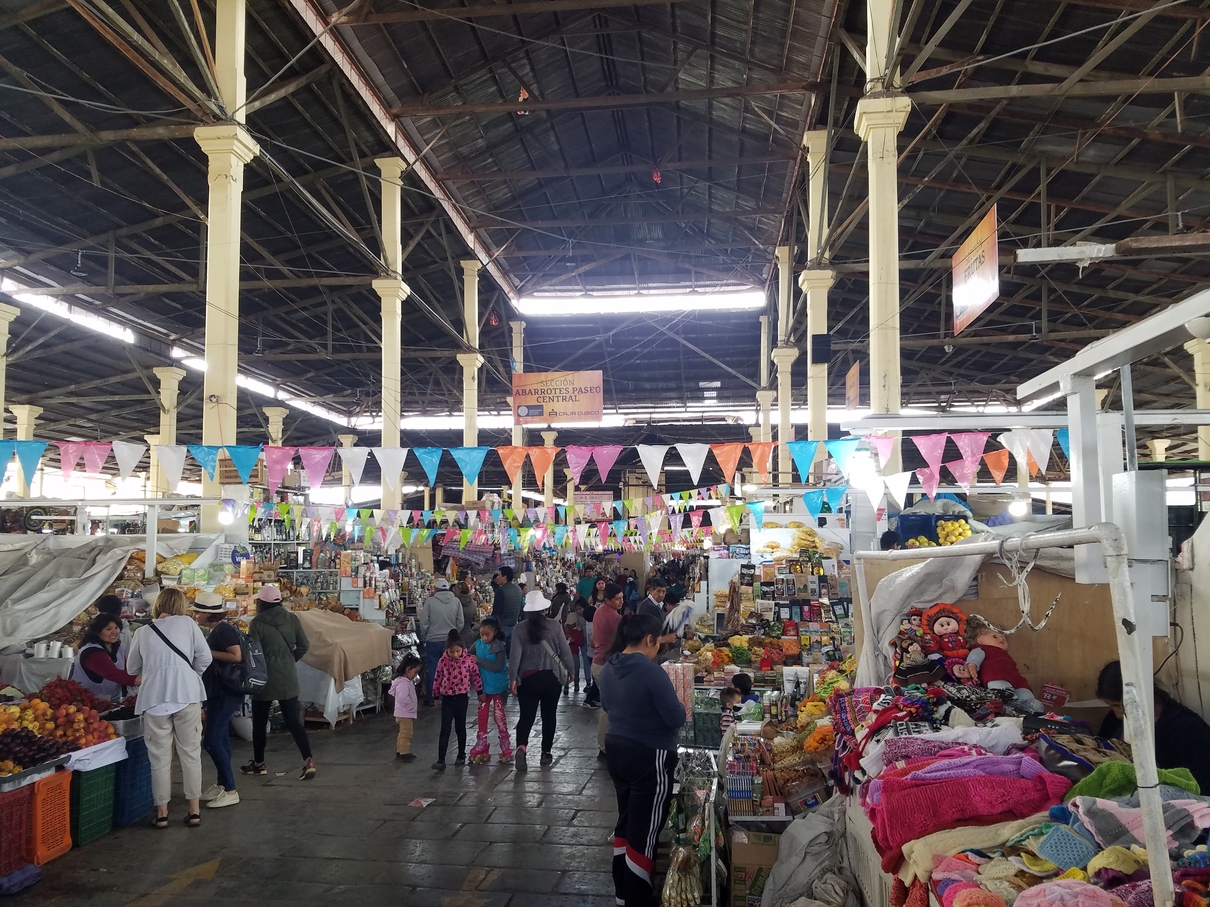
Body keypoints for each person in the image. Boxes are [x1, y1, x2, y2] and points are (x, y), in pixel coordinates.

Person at [598, 612, 687, 907]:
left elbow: (608, 707)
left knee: (626, 822)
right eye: (657, 642)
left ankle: (622, 893)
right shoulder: (652, 672)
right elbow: (674, 718)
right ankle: (637, 898)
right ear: (649, 639)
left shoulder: (609, 667)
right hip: (650, 754)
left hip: (617, 748)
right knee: (645, 830)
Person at [125, 588, 212, 829]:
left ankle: (162, 813)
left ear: (158, 605)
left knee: (159, 760)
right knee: (191, 755)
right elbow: (205, 657)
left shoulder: (142, 632)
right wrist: (190, 675)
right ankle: (194, 811)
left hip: (155, 699)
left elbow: (132, 669)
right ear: (181, 606)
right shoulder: (189, 624)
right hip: (187, 696)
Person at [1097, 660, 1210, 790]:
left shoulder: (1185, 729)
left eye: (1118, 706)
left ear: (1140, 695)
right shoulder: (1114, 721)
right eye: (1112, 706)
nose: (1117, 714)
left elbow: (1196, 784)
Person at [244, 586, 315, 780]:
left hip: (263, 677)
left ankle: (259, 764)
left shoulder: (256, 623)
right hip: (287, 675)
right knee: (293, 721)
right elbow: (304, 645)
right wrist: (289, 659)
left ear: (261, 603)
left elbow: (254, 652)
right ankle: (308, 761)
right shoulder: (292, 618)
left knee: (259, 723)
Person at [509, 590, 576, 772]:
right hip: (551, 678)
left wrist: (513, 678)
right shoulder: (554, 626)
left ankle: (521, 747)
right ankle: (545, 752)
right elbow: (564, 651)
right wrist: (571, 670)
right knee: (549, 715)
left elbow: (515, 656)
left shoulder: (519, 628)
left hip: (528, 679)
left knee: (526, 716)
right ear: (544, 609)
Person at [191, 592, 244, 810]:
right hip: (218, 692)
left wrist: (207, 652)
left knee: (211, 741)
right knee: (220, 739)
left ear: (207, 614)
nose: (194, 615)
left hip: (226, 693)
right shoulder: (219, 629)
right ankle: (223, 784)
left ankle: (231, 790)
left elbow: (236, 656)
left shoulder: (224, 630)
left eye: (197, 612)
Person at [431, 630, 482, 770]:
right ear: (447, 650)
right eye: (452, 652)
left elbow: (476, 676)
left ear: (463, 649)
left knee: (460, 728)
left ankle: (461, 754)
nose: (455, 655)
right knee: (445, 729)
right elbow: (437, 678)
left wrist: (480, 692)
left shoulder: (468, 660)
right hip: (447, 699)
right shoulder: (442, 661)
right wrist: (435, 696)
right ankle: (441, 759)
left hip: (462, 699)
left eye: (458, 651)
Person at [70, 613, 140, 703]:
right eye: (108, 629)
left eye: (116, 627)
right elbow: (113, 674)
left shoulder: (117, 647)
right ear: (98, 632)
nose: (114, 631)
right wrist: (142, 680)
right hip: (87, 703)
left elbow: (127, 670)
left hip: (110, 701)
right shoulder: (92, 652)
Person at [469, 617, 512, 764]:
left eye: (487, 634)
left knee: (499, 717)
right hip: (483, 688)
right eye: (482, 634)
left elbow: (497, 667)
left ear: (494, 632)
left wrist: (479, 661)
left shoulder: (499, 646)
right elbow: (467, 656)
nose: (484, 638)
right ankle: (482, 743)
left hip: (497, 687)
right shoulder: (478, 644)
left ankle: (505, 746)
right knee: (482, 716)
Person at [591, 582, 626, 758]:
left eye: (622, 598)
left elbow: (593, 639)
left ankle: (606, 744)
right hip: (605, 665)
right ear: (607, 600)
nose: (621, 602)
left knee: (608, 707)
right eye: (617, 599)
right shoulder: (614, 618)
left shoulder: (599, 611)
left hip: (599, 662)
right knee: (608, 709)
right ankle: (604, 747)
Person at [419, 578, 465, 706]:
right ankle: (450, 695)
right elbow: (460, 622)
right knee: (451, 669)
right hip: (450, 642)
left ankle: (431, 697)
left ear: (436, 589)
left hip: (433, 641)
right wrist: (453, 634)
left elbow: (424, 623)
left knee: (433, 669)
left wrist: (426, 634)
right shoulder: (456, 601)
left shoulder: (430, 602)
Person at [389, 655, 422, 762]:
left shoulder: (403, 681)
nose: (416, 675)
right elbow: (403, 697)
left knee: (402, 732)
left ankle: (400, 750)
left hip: (402, 713)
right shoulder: (403, 683)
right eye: (415, 672)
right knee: (407, 733)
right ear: (408, 670)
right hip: (405, 714)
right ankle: (404, 752)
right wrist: (411, 707)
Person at [491, 566, 525, 646]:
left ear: (505, 577)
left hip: (502, 627)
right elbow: (521, 609)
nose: (497, 577)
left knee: (502, 653)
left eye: (499, 575)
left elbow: (496, 612)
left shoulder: (500, 590)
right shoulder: (518, 589)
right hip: (514, 627)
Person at [579, 598, 600, 708]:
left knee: (597, 679)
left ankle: (596, 698)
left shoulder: (588, 624)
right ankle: (589, 699)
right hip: (594, 654)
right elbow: (593, 642)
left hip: (590, 654)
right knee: (597, 680)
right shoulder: (593, 626)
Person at [563, 609, 583, 693]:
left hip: (574, 653)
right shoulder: (565, 631)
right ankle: (566, 686)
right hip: (566, 654)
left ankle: (576, 685)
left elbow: (580, 642)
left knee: (576, 670)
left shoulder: (578, 632)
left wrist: (574, 640)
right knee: (566, 671)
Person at [455, 581, 478, 650]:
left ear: (459, 590)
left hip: (456, 635)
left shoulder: (455, 602)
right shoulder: (472, 602)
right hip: (469, 633)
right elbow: (474, 618)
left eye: (455, 589)